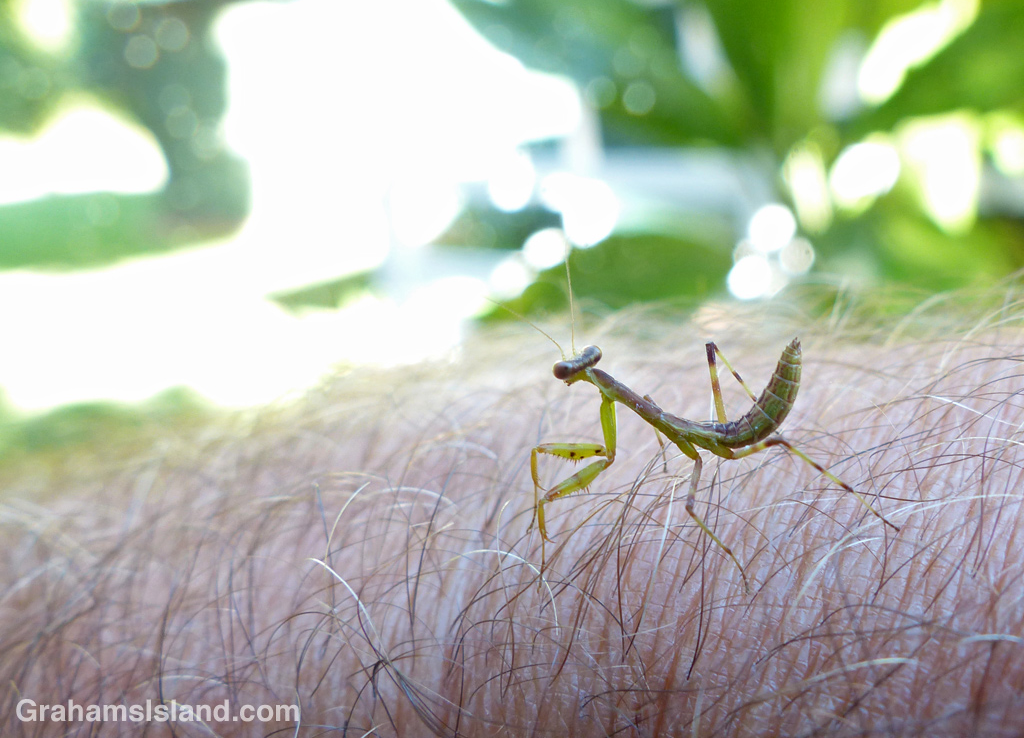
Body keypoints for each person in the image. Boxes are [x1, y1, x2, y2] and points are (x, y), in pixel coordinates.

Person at [4, 316, 1022, 736]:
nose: (575, 382)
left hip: (737, 427)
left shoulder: (651, 420)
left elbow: (653, 458)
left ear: (589, 376)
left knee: (764, 445)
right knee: (662, 454)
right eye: (577, 375)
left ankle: (866, 498)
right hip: (707, 431)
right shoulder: (615, 413)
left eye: (578, 373)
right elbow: (609, 456)